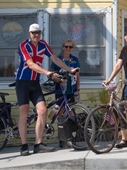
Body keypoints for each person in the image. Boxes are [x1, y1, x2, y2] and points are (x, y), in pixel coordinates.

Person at [15, 23, 79, 156]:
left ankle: (38, 144)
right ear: (29, 34)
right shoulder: (23, 46)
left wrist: (70, 69)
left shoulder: (43, 44)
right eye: (34, 33)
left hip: (35, 83)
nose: (36, 35)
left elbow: (55, 59)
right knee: (24, 112)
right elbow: (31, 64)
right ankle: (24, 146)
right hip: (22, 82)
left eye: (38, 32)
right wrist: (47, 73)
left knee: (43, 110)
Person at [50, 39, 81, 148]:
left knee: (71, 114)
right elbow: (51, 72)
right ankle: (61, 139)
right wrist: (58, 79)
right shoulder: (57, 59)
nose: (68, 49)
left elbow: (77, 75)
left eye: (70, 47)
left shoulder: (75, 60)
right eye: (66, 46)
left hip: (71, 91)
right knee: (60, 113)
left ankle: (71, 138)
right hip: (60, 91)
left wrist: (78, 89)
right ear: (63, 47)